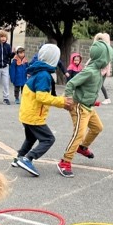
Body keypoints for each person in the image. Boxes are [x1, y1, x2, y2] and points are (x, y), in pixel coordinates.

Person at [12, 44, 73, 177]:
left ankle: (19, 158)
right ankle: (28, 159)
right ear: (53, 60)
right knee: (48, 139)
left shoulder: (37, 70)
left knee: (31, 137)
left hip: (26, 113)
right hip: (34, 116)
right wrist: (62, 101)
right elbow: (42, 97)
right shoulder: (44, 75)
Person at [57, 39, 113, 177]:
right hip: (78, 107)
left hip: (88, 107)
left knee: (98, 127)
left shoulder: (99, 72)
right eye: (107, 58)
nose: (109, 61)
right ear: (101, 59)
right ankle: (64, 161)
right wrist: (68, 99)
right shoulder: (90, 71)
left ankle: (82, 147)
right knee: (79, 134)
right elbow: (70, 84)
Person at [91, 33, 113, 104]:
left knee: (99, 84)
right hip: (101, 69)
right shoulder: (103, 48)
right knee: (98, 84)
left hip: (103, 69)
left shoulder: (106, 49)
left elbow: (106, 61)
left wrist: (104, 70)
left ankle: (106, 98)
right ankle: (95, 98)